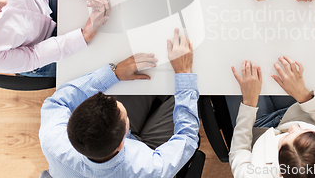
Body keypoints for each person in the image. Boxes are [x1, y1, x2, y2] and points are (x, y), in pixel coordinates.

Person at [39, 28, 199, 177]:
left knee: (145, 77)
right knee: (195, 92)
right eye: (125, 115)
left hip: (117, 145)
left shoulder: (52, 137)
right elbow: (187, 137)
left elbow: (58, 102)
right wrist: (183, 73)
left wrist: (113, 73)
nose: (118, 103)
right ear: (122, 144)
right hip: (147, 152)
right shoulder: (150, 169)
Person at [229, 58, 315, 178]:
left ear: (280, 173)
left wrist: (249, 103)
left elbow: (239, 151)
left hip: (256, 126)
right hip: (300, 109)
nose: (293, 128)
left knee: (236, 66)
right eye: (308, 133)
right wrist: (304, 96)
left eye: (286, 137)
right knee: (284, 59)